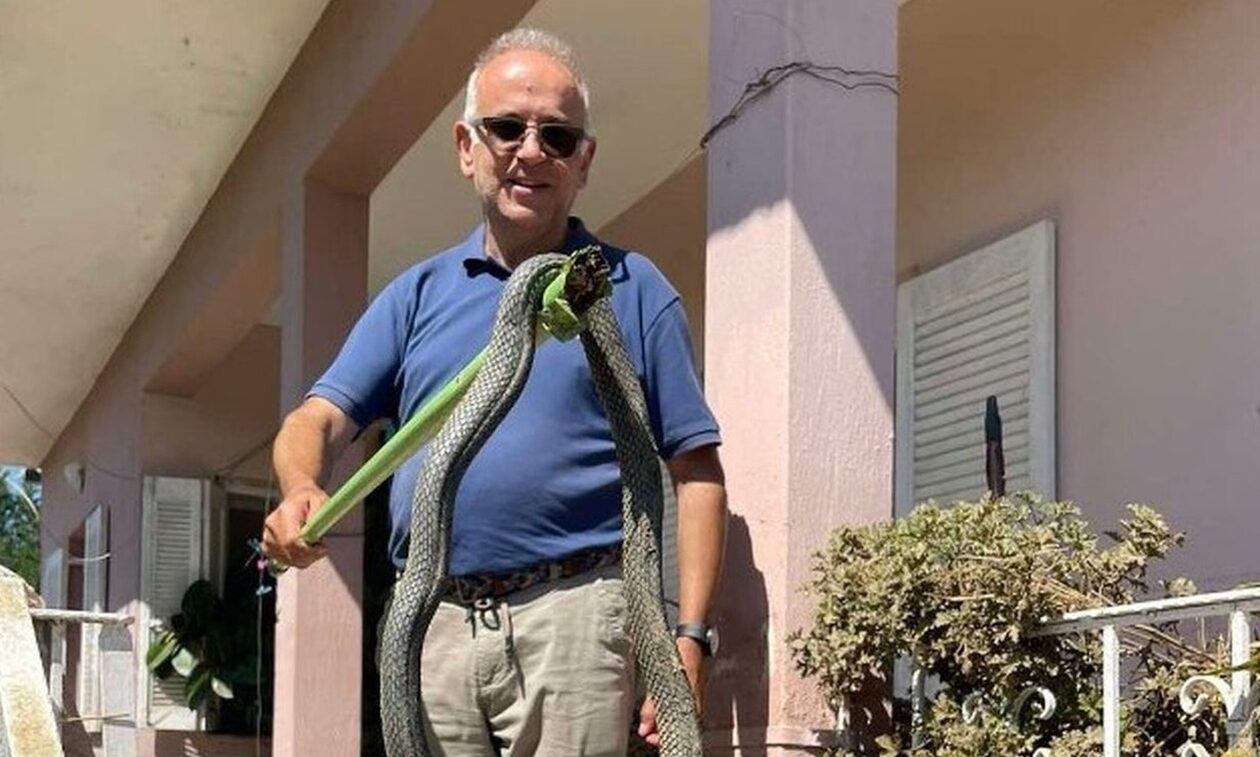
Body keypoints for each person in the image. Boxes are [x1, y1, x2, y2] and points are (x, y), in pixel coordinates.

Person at [261, 27, 727, 756]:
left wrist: (689, 638)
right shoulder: (415, 296)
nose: (531, 151)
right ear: (466, 147)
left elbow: (696, 474)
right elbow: (315, 418)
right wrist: (298, 488)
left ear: (584, 161)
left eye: (558, 136)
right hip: (432, 621)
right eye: (507, 128)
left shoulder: (633, 290)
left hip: (574, 617)